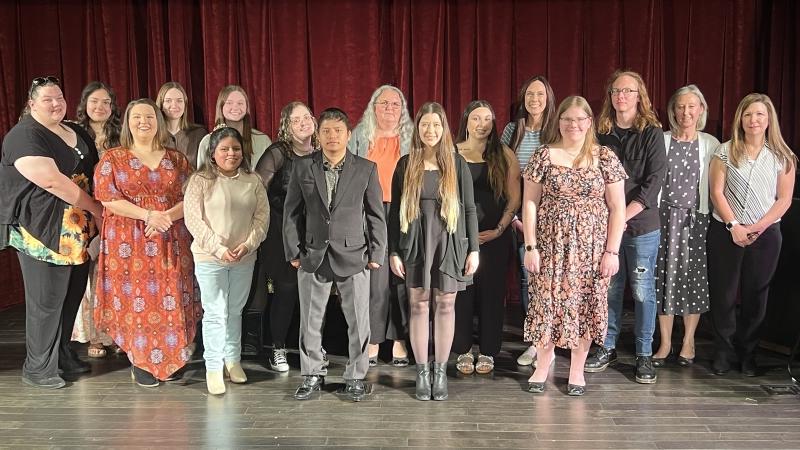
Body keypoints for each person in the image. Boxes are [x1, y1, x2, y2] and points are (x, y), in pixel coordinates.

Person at [0, 76, 103, 389]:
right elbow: (52, 181)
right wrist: (98, 210)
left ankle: (62, 356)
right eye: (47, 99)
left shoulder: (76, 129)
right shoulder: (24, 135)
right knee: (46, 301)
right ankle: (39, 367)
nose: (56, 103)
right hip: (40, 230)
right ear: (32, 104)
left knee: (70, 298)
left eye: (59, 97)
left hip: (76, 231)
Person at [522, 96, 627, 396]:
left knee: (584, 306)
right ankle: (543, 365)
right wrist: (530, 247)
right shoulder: (544, 155)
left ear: (590, 122)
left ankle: (577, 370)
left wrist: (612, 251)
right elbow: (530, 202)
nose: (573, 125)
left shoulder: (605, 157)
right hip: (550, 246)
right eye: (568, 119)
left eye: (580, 119)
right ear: (559, 122)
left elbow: (617, 207)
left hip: (591, 251)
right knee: (546, 304)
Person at [93, 98, 201, 387]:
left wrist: (165, 216)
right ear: (127, 122)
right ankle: (140, 361)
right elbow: (107, 197)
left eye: (150, 117)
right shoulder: (112, 158)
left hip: (171, 237)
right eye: (137, 117)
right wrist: (149, 215)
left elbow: (191, 197)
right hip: (129, 242)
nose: (144, 122)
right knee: (135, 299)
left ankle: (172, 356)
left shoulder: (177, 159)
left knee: (173, 295)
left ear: (159, 122)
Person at [283, 108, 386, 402]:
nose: (332, 136)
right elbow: (291, 213)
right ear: (318, 134)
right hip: (313, 255)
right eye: (326, 131)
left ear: (348, 135)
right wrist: (294, 251)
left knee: (358, 321)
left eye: (338, 131)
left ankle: (355, 376)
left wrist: (376, 252)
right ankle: (312, 374)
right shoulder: (303, 166)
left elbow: (376, 216)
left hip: (355, 256)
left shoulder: (366, 168)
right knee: (311, 320)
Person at [388, 102, 479, 401]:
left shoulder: (457, 164)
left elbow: (468, 210)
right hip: (415, 243)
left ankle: (440, 371)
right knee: (417, 305)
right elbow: (393, 215)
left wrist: (474, 250)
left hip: (449, 244)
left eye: (436, 125)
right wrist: (393, 252)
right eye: (425, 125)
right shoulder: (405, 164)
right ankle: (422, 372)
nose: (430, 131)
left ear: (445, 129)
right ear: (417, 128)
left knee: (445, 305)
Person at [584, 70, 666, 384]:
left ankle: (644, 354)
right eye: (617, 91)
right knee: (610, 290)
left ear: (639, 96)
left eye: (628, 91)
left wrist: (622, 216)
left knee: (643, 293)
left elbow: (653, 181)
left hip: (642, 227)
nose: (622, 96)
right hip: (606, 227)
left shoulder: (652, 132)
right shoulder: (601, 131)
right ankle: (607, 345)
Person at [707, 93, 796, 376]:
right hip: (727, 232)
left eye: (759, 114)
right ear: (740, 119)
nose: (753, 120)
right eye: (747, 114)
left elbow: (783, 199)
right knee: (724, 296)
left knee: (756, 297)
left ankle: (748, 353)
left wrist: (756, 228)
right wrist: (735, 226)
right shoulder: (724, 151)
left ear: (769, 119)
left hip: (765, 235)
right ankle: (723, 351)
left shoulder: (783, 156)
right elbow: (716, 192)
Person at [184, 127, 268, 394]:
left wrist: (248, 244)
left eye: (235, 149)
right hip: (210, 258)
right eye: (224, 149)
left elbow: (262, 218)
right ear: (212, 153)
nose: (231, 153)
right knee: (216, 312)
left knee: (234, 311)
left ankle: (232, 361)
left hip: (244, 257)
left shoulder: (252, 180)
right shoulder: (199, 180)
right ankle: (213, 367)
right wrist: (219, 249)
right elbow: (193, 220)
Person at [652, 85, 719, 367]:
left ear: (701, 110)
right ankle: (666, 342)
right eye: (680, 106)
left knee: (693, 279)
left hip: (696, 220)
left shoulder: (711, 144)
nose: (685, 112)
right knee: (663, 279)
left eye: (692, 106)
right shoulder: (662, 140)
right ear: (673, 110)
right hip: (663, 218)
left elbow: (717, 187)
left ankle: (688, 341)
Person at [452, 100, 520, 375]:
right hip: (459, 240)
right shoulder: (452, 153)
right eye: (476, 118)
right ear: (466, 121)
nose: (482, 124)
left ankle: (489, 351)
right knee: (461, 295)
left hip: (494, 237)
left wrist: (500, 229)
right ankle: (464, 350)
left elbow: (514, 197)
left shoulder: (503, 153)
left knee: (492, 296)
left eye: (488, 119)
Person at [348, 85, 413, 367]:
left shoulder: (412, 139)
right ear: (373, 107)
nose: (389, 108)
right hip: (369, 212)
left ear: (403, 109)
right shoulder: (360, 137)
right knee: (376, 280)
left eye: (395, 104)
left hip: (403, 212)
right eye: (383, 103)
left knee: (401, 276)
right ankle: (374, 339)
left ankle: (399, 338)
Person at [254, 101, 319, 372]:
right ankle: (278, 347)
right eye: (296, 120)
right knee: (287, 291)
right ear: (286, 126)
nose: (303, 122)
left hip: (315, 235)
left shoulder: (322, 152)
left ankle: (312, 348)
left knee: (315, 294)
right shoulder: (278, 153)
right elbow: (256, 190)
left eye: (307, 117)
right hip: (281, 233)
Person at [500, 75, 557, 367]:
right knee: (527, 280)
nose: (535, 100)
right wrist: (513, 217)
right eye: (530, 95)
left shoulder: (556, 131)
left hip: (549, 220)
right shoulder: (512, 130)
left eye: (540, 94)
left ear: (548, 98)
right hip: (517, 217)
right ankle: (536, 343)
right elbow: (500, 173)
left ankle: (549, 341)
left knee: (547, 281)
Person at [71, 80, 122, 358]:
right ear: (84, 105)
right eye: (94, 102)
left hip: (116, 211)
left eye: (106, 102)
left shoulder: (120, 136)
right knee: (89, 273)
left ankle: (115, 333)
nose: (100, 107)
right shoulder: (74, 135)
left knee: (114, 272)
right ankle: (94, 335)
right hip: (83, 209)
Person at [197, 85, 271, 170]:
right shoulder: (207, 142)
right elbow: (201, 177)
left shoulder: (263, 141)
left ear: (247, 107)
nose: (235, 107)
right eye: (229, 103)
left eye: (240, 103)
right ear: (221, 107)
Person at [156, 81, 207, 168]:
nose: (174, 105)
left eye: (179, 101)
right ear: (161, 105)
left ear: (185, 105)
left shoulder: (199, 134)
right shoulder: (153, 135)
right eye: (168, 101)